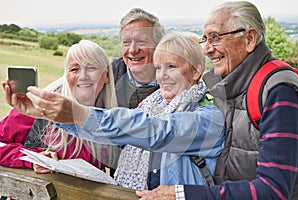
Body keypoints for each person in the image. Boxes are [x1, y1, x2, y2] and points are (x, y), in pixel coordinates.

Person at [3, 31, 225, 190]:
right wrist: (46, 116)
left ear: (196, 72)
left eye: (172, 67)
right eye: (158, 67)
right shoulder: (150, 108)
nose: (162, 76)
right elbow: (127, 127)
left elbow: (156, 132)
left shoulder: (208, 117)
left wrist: (77, 115)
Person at [136, 1, 298, 199]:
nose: (206, 49)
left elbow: (273, 191)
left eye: (215, 38)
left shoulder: (278, 91)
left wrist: (182, 194)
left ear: (249, 38)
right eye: (204, 39)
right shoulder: (227, 85)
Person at [0, 39, 120, 175]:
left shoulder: (112, 119)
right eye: (74, 69)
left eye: (91, 68)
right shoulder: (39, 107)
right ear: (66, 75)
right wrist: (34, 159)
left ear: (106, 76)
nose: (83, 76)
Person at [112, 8, 165, 108]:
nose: (132, 50)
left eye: (141, 41)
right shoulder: (108, 75)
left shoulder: (175, 76)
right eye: (126, 42)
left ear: (158, 45)